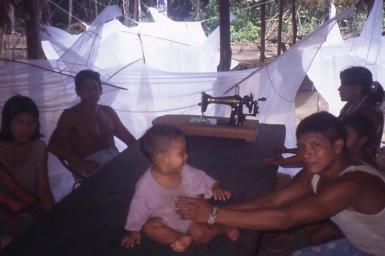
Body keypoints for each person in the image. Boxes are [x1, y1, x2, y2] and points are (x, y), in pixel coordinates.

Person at [176, 112, 385, 256]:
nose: (306, 154)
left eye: (315, 145)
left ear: (337, 145)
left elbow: (286, 218)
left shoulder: (351, 183)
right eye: (302, 147)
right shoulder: (317, 172)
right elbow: (273, 200)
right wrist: (213, 217)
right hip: (361, 246)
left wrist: (212, 215)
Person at [121, 124, 239, 253]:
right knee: (149, 227)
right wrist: (133, 231)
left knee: (201, 234)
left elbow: (202, 178)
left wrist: (215, 187)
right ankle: (180, 238)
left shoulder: (185, 171)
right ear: (163, 158)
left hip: (192, 214)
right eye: (181, 153)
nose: (186, 156)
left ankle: (223, 227)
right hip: (166, 219)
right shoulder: (145, 186)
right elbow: (138, 209)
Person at [264, 66, 384, 168]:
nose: (339, 89)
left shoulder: (365, 115)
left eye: (343, 85)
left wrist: (283, 162)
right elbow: (328, 140)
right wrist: (287, 151)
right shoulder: (352, 106)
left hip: (352, 167)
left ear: (356, 88)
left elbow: (330, 148)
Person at [49, 69, 136, 177]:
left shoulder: (108, 112)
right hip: (91, 165)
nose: (92, 92)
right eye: (86, 88)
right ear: (78, 91)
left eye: (95, 88)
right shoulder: (70, 116)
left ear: (100, 90)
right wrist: (81, 162)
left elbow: (129, 139)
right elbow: (53, 145)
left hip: (115, 159)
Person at [0, 95, 54, 245]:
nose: (26, 129)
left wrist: (55, 217)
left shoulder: (38, 147)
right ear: (7, 123)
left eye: (31, 123)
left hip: (30, 209)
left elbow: (44, 190)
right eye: (19, 122)